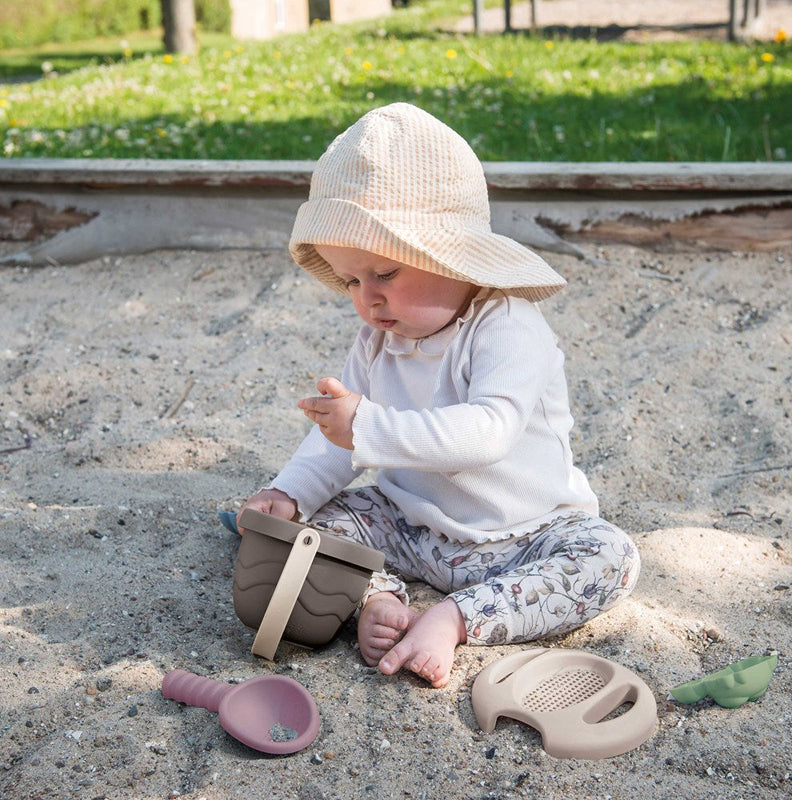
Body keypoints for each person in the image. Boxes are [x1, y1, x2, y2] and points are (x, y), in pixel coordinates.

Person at [236, 103, 639, 688]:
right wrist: (290, 491)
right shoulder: (376, 341)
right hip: (411, 526)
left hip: (524, 536)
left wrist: (366, 426)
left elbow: (489, 433)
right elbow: (336, 442)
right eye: (351, 279)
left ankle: (455, 619)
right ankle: (379, 598)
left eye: (384, 274)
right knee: (319, 523)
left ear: (451, 257)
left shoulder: (507, 325)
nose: (367, 298)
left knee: (609, 557)